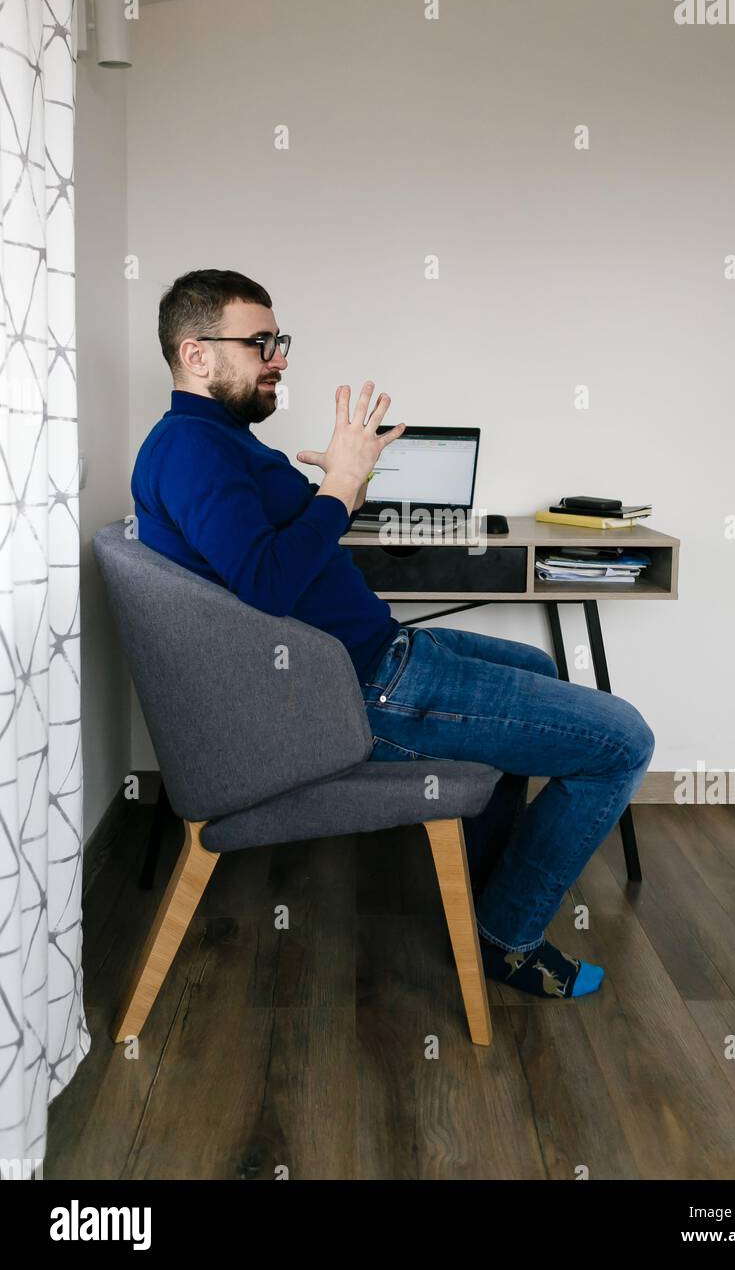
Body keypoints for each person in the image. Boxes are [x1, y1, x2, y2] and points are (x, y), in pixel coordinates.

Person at [132, 268, 655, 1001]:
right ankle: (508, 937)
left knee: (538, 660)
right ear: (196, 355)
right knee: (625, 740)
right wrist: (339, 491)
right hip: (359, 690)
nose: (279, 357)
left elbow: (270, 558)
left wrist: (344, 488)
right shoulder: (192, 448)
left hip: (371, 660)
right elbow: (267, 581)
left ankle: (484, 901)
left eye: (279, 340)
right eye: (260, 343)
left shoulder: (213, 440)